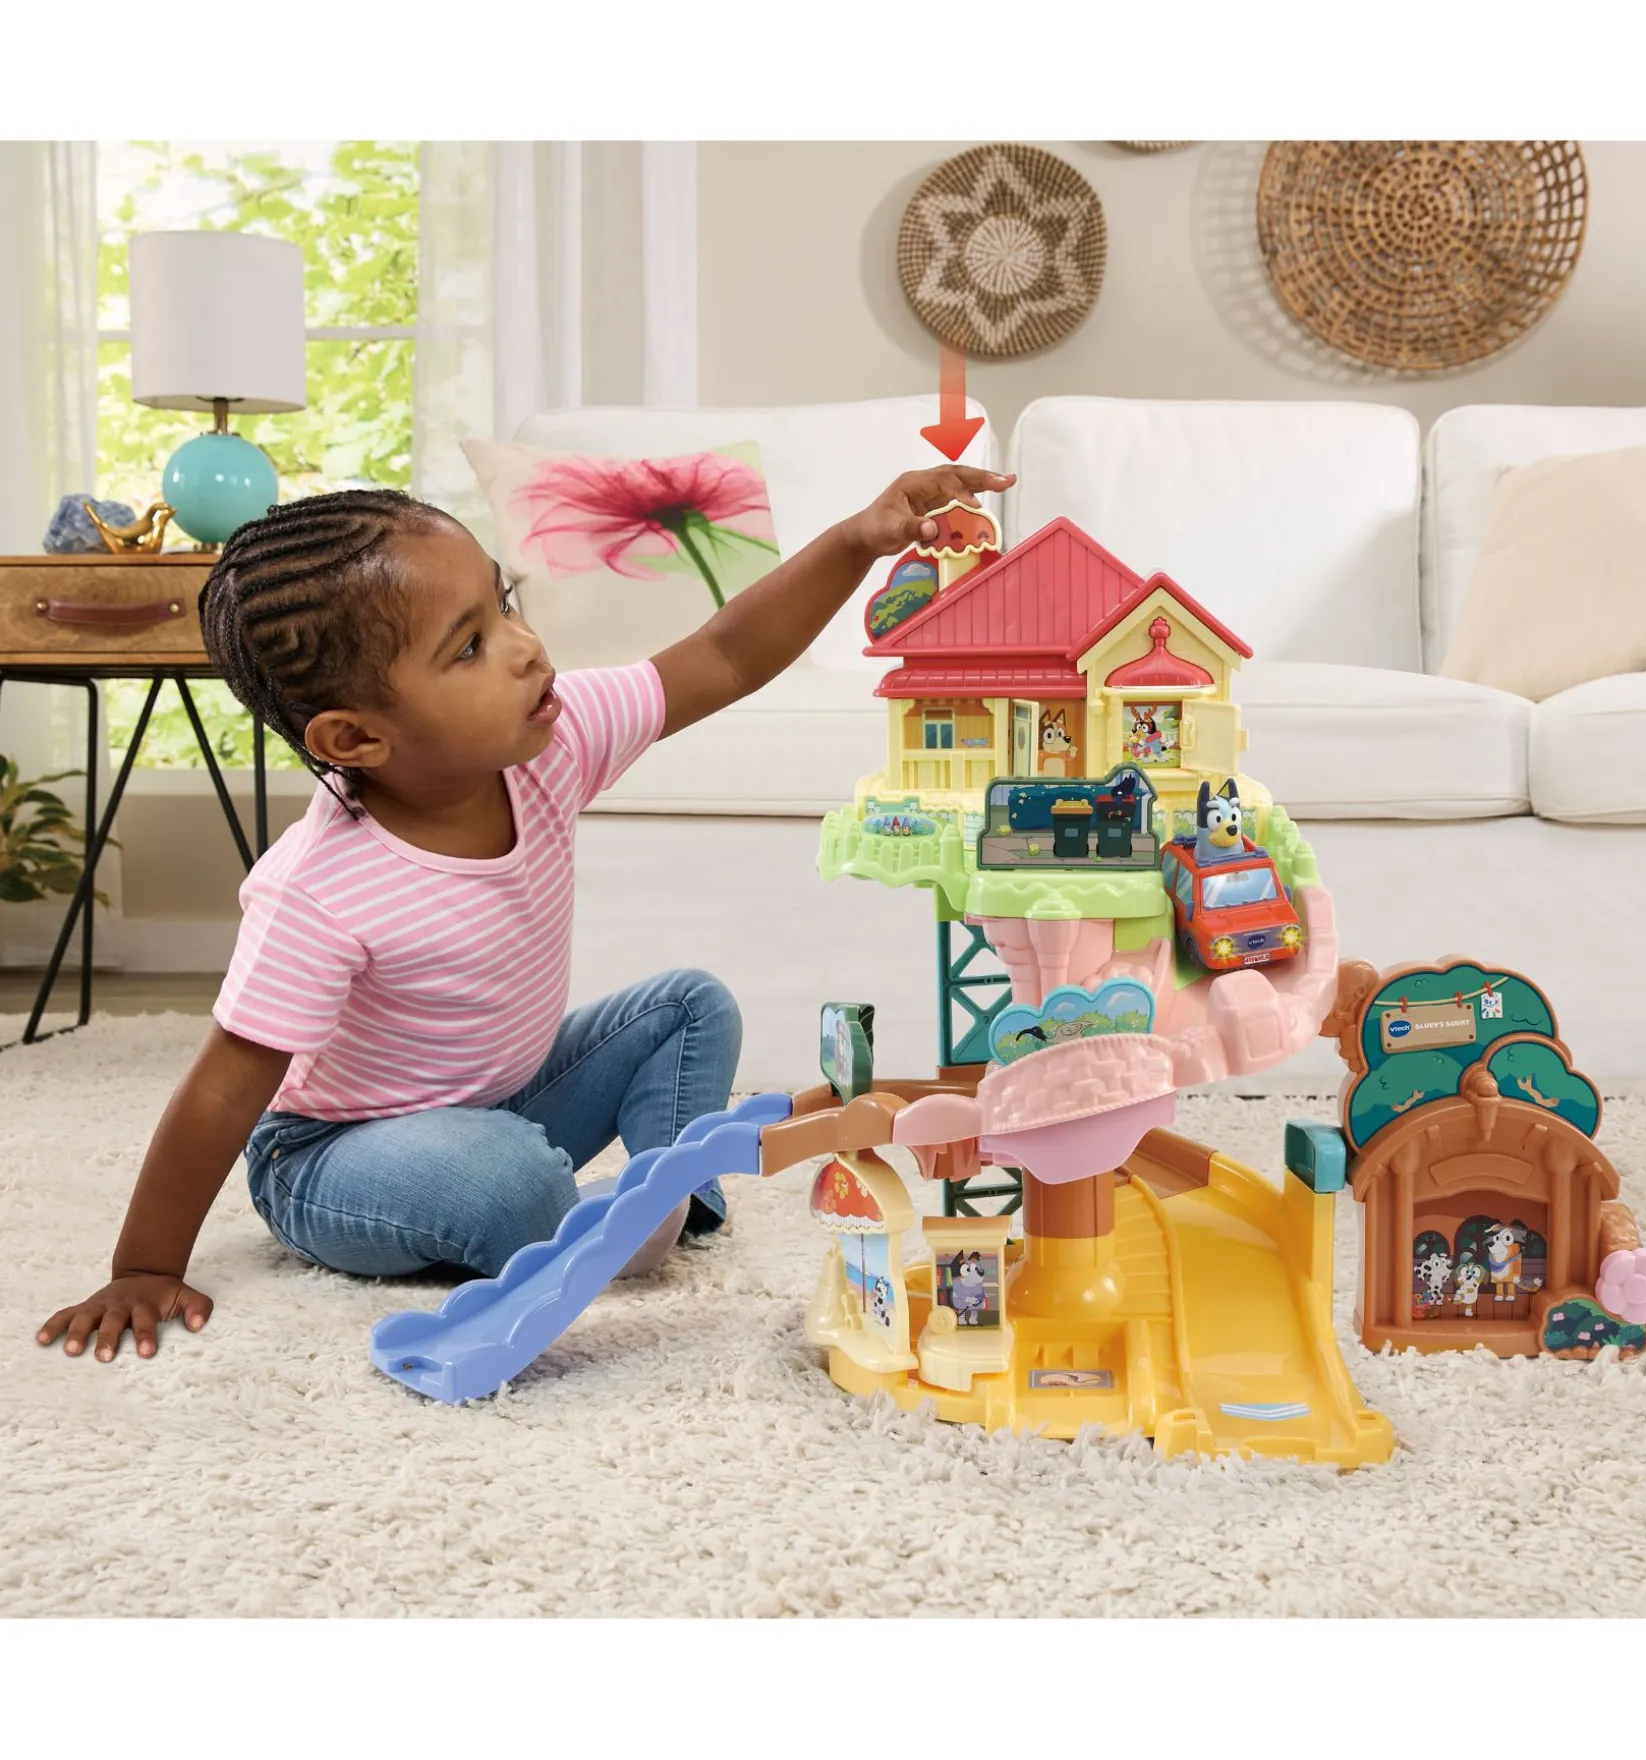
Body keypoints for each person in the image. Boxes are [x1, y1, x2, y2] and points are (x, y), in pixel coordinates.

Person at [38, 463, 1012, 1364]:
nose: (524, 647)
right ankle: (594, 1218)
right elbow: (222, 1089)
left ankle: (670, 1195)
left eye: (501, 604)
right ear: (356, 737)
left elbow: (724, 654)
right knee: (506, 1177)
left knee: (688, 1006)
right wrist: (145, 1265)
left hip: (505, 1094)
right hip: (334, 1156)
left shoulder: (555, 738)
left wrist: (854, 541)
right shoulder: (318, 889)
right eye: (468, 646)